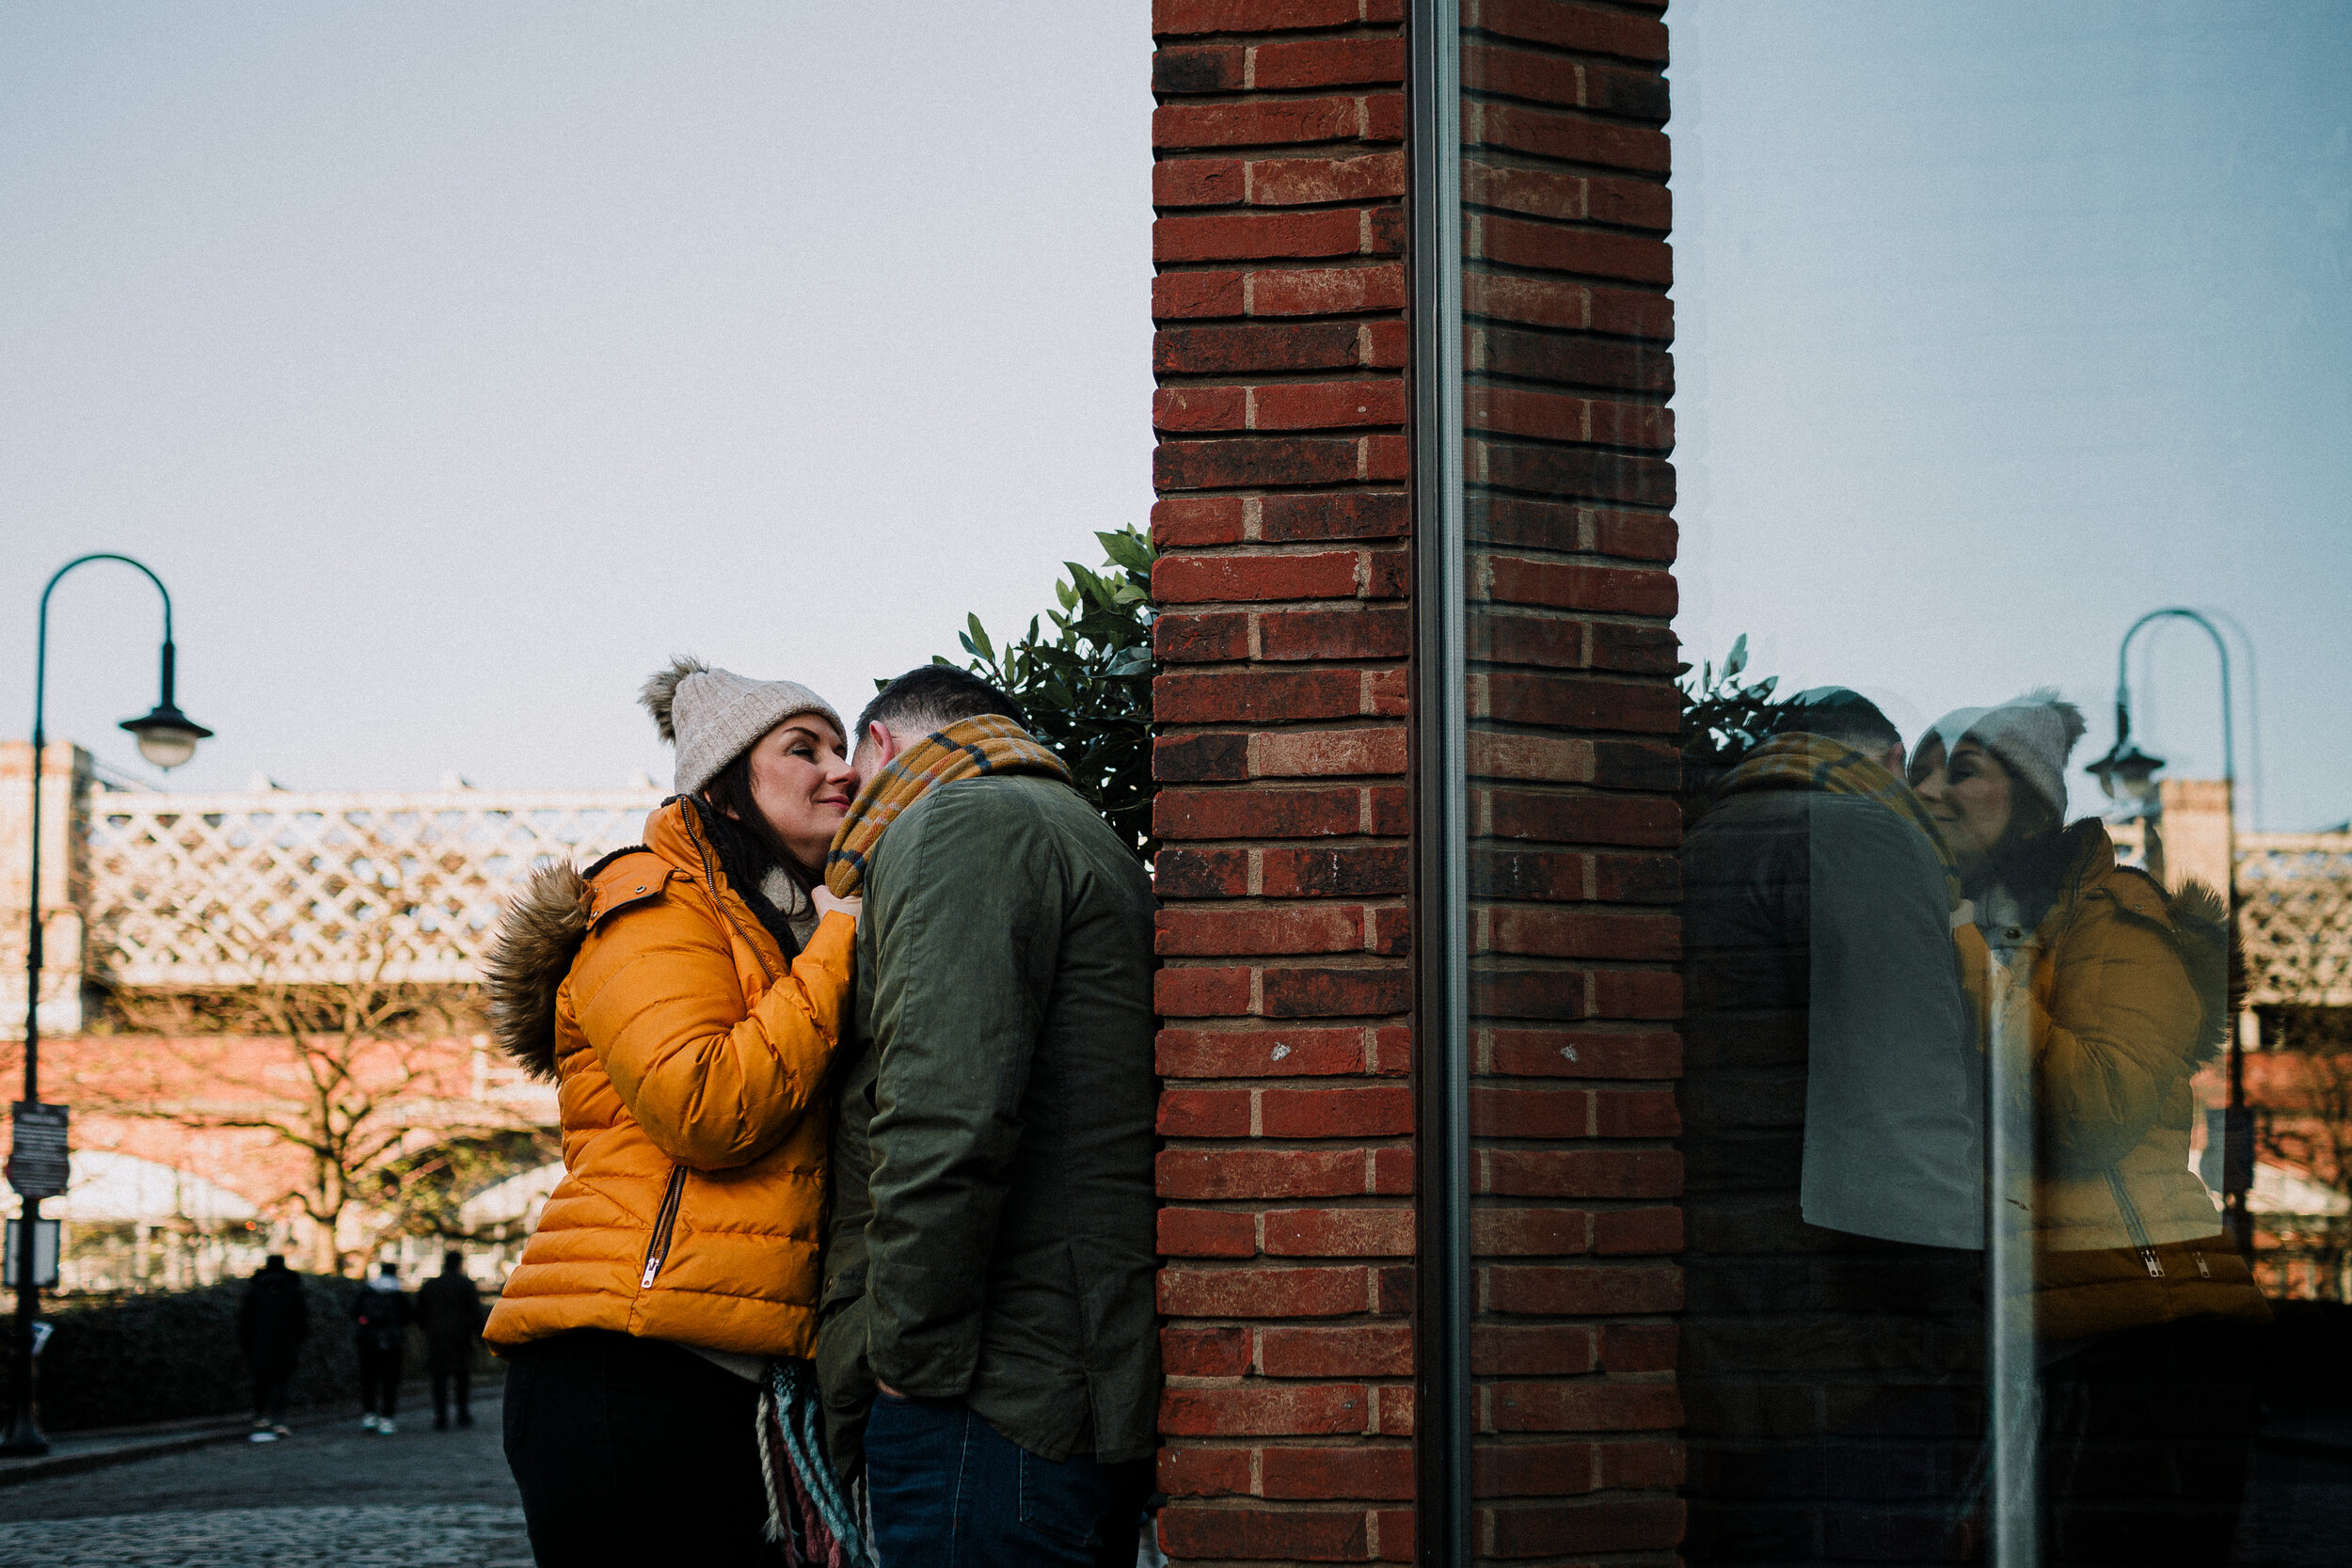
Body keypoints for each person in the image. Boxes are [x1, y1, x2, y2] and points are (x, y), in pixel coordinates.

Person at [483, 657, 865, 1567]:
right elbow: (704, 1105)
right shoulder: (650, 903)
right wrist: (842, 941)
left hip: (736, 1379)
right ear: (727, 786)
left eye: (844, 748)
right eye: (802, 749)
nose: (839, 770)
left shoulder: (777, 930)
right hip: (626, 1374)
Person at [1911, 692, 2268, 1564]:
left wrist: (1964, 951)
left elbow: (2095, 1112)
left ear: (2032, 800)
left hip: (2139, 1338)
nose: (1929, 789)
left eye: (1962, 769)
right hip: (2036, 1330)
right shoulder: (1968, 917)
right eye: (1919, 769)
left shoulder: (2115, 916)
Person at [815, 665, 1159, 1568]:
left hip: (981, 1401)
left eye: (852, 772)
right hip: (1064, 1390)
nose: (847, 799)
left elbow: (943, 1117)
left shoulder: (958, 823)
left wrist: (902, 1366)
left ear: (884, 746)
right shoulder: (1083, 832)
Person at [1678, 687, 1986, 1562]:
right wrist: (1958, 1329)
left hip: (1723, 1357)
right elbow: (1904, 1119)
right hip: (1848, 1369)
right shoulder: (1860, 837)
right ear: (1886, 760)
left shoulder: (1701, 847)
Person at [237, 1253, 308, 1442]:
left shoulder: (254, 1290)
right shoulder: (293, 1289)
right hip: (286, 1342)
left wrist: (246, 1344)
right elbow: (302, 1321)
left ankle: (260, 1416)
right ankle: (279, 1420)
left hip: (259, 1342)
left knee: (261, 1380)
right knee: (281, 1382)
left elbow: (245, 1321)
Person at [417, 1250, 484, 1431]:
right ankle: (462, 1413)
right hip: (460, 1337)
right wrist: (480, 1336)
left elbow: (420, 1312)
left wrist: (428, 1328)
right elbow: (476, 1312)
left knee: (439, 1378)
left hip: (437, 1338)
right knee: (462, 1376)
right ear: (459, 1264)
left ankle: (441, 1415)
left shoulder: (431, 1285)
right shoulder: (466, 1285)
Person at [352, 1259, 411, 1434]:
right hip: (392, 1343)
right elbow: (408, 1317)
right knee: (390, 1380)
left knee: (368, 1379)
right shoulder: (398, 1294)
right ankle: (387, 1417)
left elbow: (354, 1312)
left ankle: (369, 1415)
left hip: (368, 1341)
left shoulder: (367, 1291)